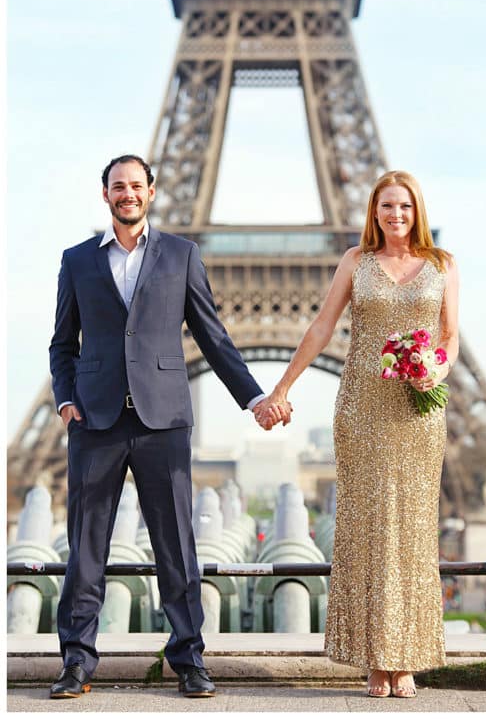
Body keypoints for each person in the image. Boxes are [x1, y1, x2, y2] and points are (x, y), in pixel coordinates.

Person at [48, 155, 287, 700]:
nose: (127, 193)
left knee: (177, 546)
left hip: (163, 421)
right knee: (86, 548)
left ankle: (189, 658)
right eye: (118, 186)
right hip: (95, 420)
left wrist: (254, 398)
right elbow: (62, 344)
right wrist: (65, 402)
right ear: (104, 194)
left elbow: (214, 337)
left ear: (151, 192)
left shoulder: (182, 254)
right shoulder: (78, 260)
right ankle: (77, 662)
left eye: (136, 185)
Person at [262, 170, 458, 699]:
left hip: (417, 411)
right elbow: (322, 327)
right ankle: (376, 657)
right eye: (387, 206)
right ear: (374, 212)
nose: (396, 215)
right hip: (362, 408)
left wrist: (432, 371)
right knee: (366, 526)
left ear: (418, 211)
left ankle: (408, 655)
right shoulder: (356, 262)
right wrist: (281, 387)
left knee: (414, 528)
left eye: (405, 206)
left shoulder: (443, 266)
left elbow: (449, 337)